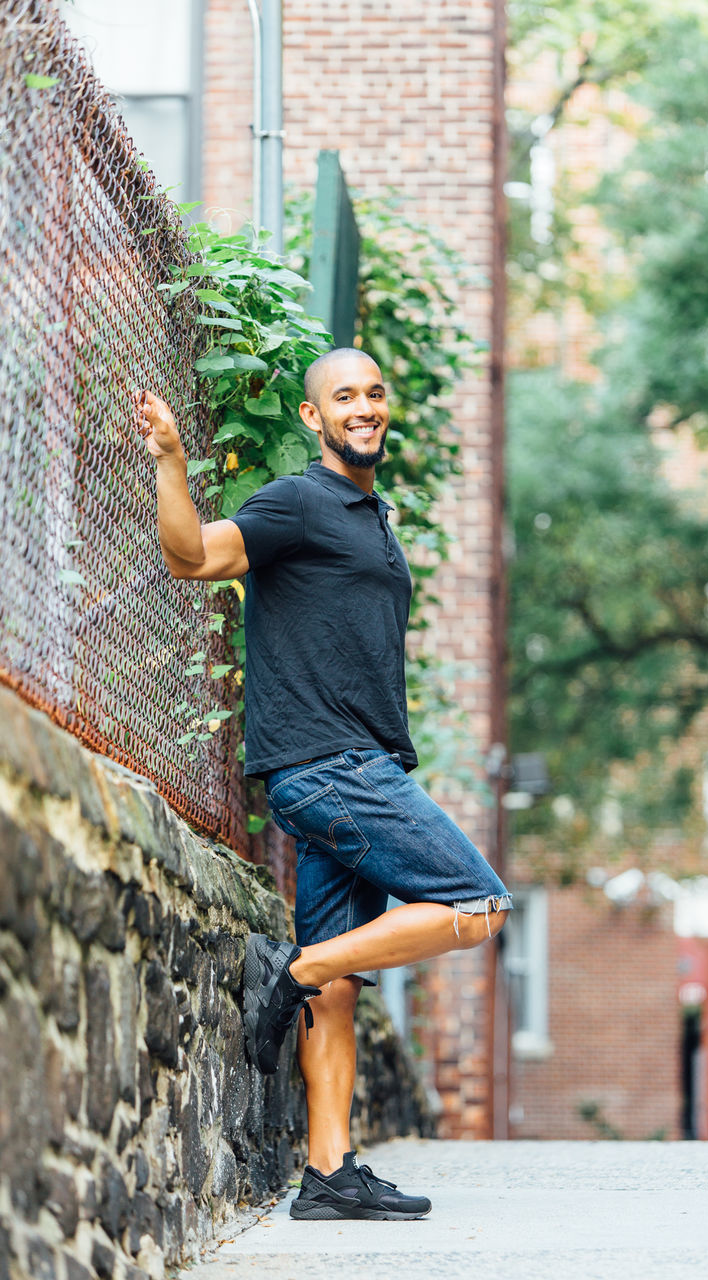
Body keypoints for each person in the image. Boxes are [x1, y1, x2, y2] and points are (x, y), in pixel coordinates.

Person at [135, 347, 511, 1221]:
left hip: (353, 765)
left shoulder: (369, 513)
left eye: (374, 393)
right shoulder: (299, 502)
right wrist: (171, 462)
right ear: (313, 417)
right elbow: (193, 557)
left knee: (338, 987)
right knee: (477, 904)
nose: (364, 406)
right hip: (329, 768)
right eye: (344, 395)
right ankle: (292, 967)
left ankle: (329, 1171)